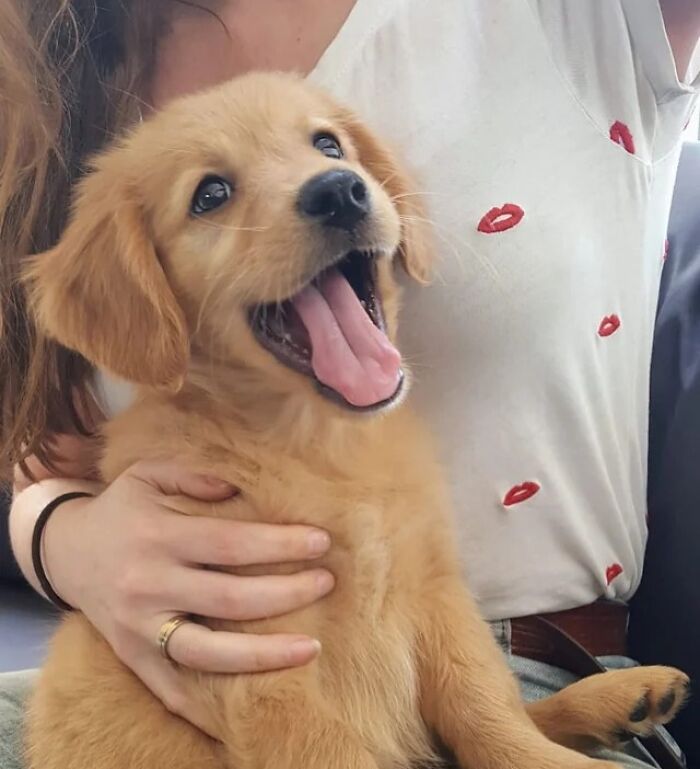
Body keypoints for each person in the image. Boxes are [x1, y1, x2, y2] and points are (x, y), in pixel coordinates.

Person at [1, 1, 699, 768]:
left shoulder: (582, 24)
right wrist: (64, 538)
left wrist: (508, 740)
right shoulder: (51, 62)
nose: (326, 184)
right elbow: (44, 462)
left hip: (523, 655)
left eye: (328, 146)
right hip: (183, 715)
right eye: (210, 195)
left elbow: (428, 598)